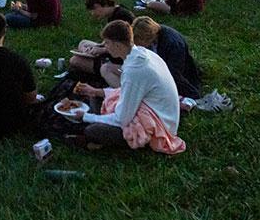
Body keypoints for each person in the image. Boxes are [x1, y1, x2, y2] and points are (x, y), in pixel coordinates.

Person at [64, 20, 185, 154]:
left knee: (93, 130)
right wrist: (96, 92)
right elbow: (128, 91)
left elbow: (121, 119)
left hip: (156, 126)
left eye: (107, 43)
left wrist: (85, 117)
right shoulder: (142, 53)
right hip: (152, 109)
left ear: (117, 45)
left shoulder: (135, 70)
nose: (106, 47)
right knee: (95, 96)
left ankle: (100, 137)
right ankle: (95, 128)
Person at [131, 16, 201, 99]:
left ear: (147, 37)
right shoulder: (154, 38)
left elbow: (175, 74)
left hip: (176, 76)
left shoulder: (173, 43)